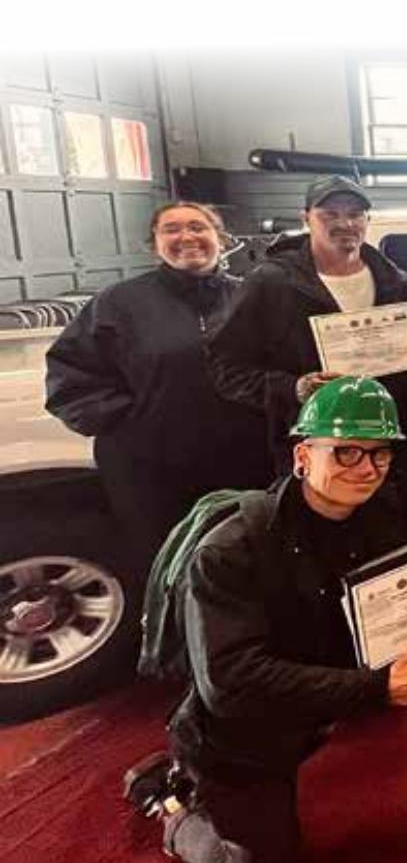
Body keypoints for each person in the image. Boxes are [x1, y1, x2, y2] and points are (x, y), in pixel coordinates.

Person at [122, 376, 407, 863]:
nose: (366, 468)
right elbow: (231, 684)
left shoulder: (375, 510)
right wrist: (376, 688)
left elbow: (387, 582)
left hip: (327, 685)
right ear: (302, 456)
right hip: (247, 731)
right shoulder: (230, 550)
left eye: (379, 454)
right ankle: (170, 804)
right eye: (346, 452)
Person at [45, 200, 271, 582]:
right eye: (172, 229)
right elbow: (69, 374)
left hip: (245, 463)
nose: (187, 237)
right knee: (169, 566)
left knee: (246, 559)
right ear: (155, 244)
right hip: (152, 471)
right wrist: (132, 423)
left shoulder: (252, 296)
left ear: (221, 239)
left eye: (198, 227)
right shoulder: (118, 303)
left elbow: (282, 365)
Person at [206, 176, 407, 518]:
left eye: (355, 214)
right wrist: (293, 388)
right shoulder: (271, 284)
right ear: (306, 219)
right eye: (330, 214)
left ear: (367, 220)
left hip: (390, 455)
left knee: (393, 535)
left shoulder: (399, 283)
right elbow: (226, 368)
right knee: (319, 542)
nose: (345, 223)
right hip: (315, 457)